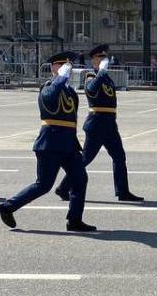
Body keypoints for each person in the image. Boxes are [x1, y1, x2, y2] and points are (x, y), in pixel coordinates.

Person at [0, 51, 96, 232]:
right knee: (43, 185)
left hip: (69, 145)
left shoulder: (70, 91)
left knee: (80, 179)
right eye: (61, 65)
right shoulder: (48, 86)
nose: (66, 69)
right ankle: (8, 207)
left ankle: (74, 220)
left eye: (68, 66)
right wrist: (60, 78)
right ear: (52, 68)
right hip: (50, 144)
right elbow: (49, 98)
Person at [55, 44, 143, 203]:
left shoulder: (106, 77)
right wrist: (101, 71)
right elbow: (91, 90)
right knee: (85, 159)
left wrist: (103, 73)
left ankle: (122, 191)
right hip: (97, 124)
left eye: (105, 57)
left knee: (119, 157)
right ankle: (63, 188)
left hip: (109, 123)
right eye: (101, 57)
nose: (104, 59)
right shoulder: (91, 76)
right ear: (94, 60)